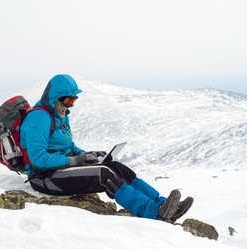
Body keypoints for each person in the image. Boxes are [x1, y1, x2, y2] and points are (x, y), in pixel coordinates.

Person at [20, 74, 193, 223]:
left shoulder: (60, 114)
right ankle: (154, 213)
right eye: (68, 99)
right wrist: (75, 160)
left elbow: (69, 146)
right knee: (105, 175)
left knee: (118, 168)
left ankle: (163, 205)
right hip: (44, 177)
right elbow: (39, 159)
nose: (71, 104)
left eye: (74, 99)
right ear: (55, 97)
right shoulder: (39, 119)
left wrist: (86, 154)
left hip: (61, 168)